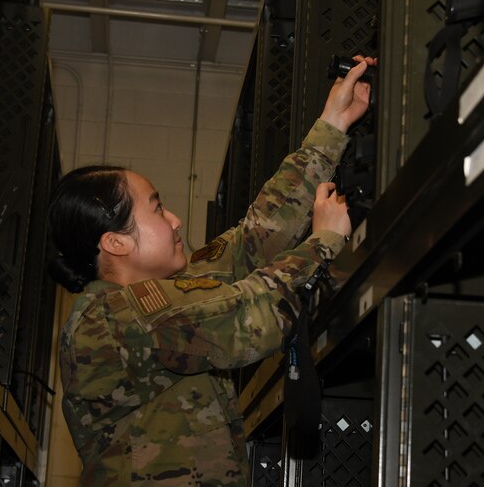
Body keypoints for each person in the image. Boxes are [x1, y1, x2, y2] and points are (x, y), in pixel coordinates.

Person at [50, 56, 376, 486]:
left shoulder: (167, 295)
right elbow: (254, 316)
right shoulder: (116, 318)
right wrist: (323, 243)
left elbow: (256, 236)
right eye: (157, 208)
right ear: (116, 242)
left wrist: (332, 125)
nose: (174, 220)